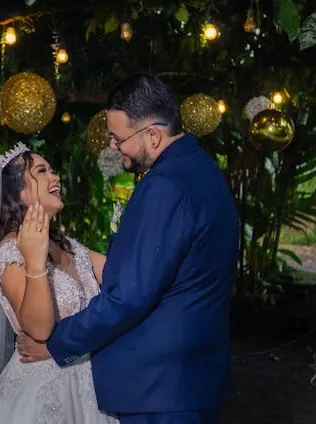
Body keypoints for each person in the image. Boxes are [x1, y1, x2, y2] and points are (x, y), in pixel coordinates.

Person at [16, 74, 240, 424]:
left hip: (161, 387)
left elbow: (130, 295)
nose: (112, 146)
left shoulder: (165, 185)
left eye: (118, 138)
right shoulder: (201, 169)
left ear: (152, 134)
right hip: (188, 377)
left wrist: (57, 343)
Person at [0, 142, 119, 424]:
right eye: (42, 171)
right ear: (21, 193)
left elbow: (121, 274)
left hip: (92, 388)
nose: (56, 177)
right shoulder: (11, 253)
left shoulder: (68, 245)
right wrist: (36, 264)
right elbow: (39, 329)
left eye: (52, 170)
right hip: (43, 393)